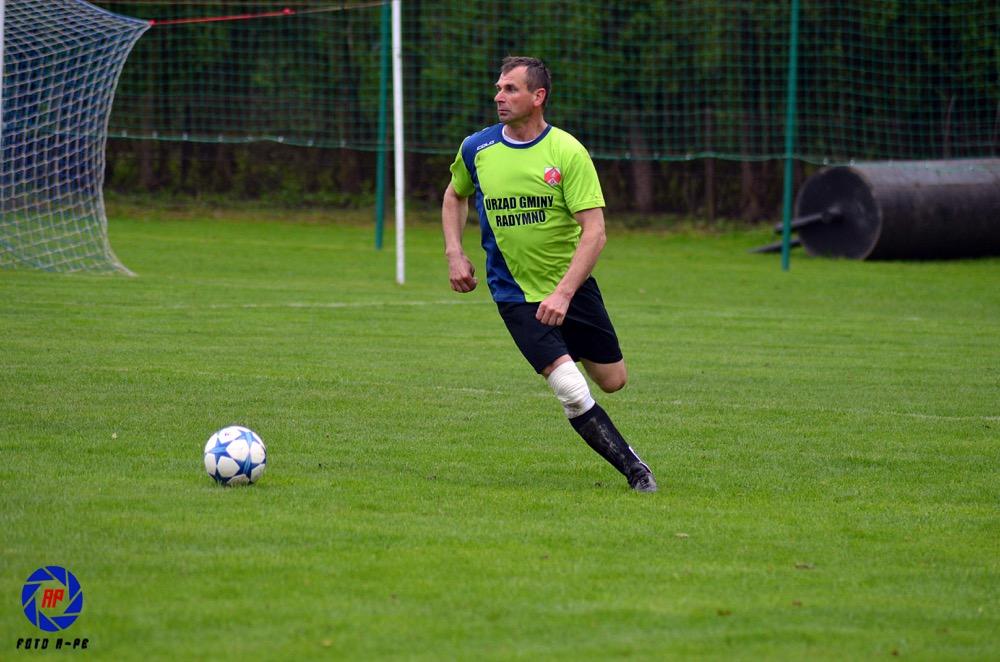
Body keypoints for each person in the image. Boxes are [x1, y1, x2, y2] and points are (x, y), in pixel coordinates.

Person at [441, 56, 657, 492]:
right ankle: (637, 471)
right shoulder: (476, 149)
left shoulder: (567, 152)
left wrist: (563, 293)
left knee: (613, 381)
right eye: (499, 88)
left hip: (570, 288)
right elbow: (453, 196)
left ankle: (562, 349)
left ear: (538, 96)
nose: (499, 96)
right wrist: (454, 252)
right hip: (515, 294)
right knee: (572, 391)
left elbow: (595, 232)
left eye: (511, 89)